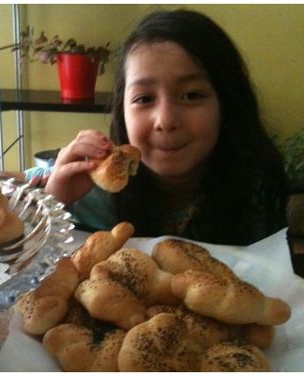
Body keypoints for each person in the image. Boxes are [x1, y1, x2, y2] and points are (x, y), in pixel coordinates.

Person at [24, 9, 288, 246]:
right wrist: (53, 203)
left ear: (226, 102)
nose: (166, 120)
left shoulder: (254, 188)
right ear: (122, 112)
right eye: (144, 99)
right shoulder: (88, 190)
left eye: (192, 95)